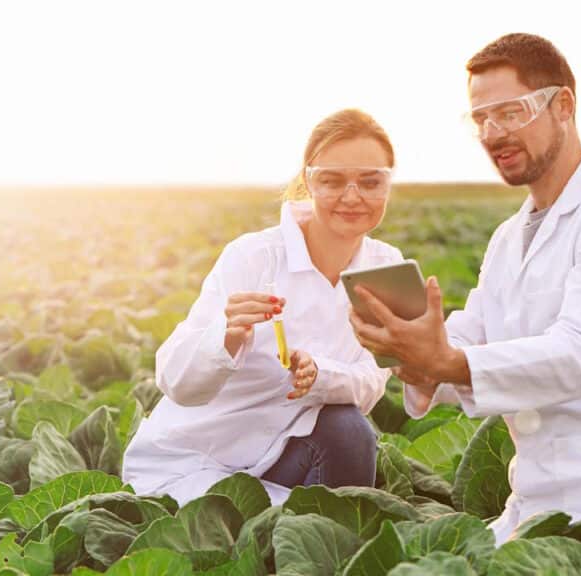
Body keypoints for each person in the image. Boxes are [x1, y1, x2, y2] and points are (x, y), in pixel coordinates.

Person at [349, 33, 581, 544]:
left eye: (510, 112)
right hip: (538, 507)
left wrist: (446, 362)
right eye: (481, 119)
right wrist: (411, 353)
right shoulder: (507, 238)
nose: (493, 132)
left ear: (563, 105)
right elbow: (467, 344)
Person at [123, 109, 405, 505]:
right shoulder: (253, 256)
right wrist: (225, 337)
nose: (352, 197)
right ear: (308, 182)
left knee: (349, 429)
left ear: (388, 185)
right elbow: (175, 381)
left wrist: (320, 376)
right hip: (201, 457)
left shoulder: (387, 265)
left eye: (371, 182)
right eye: (332, 180)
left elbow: (373, 380)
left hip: (285, 452)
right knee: (231, 529)